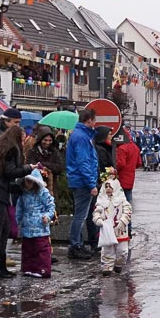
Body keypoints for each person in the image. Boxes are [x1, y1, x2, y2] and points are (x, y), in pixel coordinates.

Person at [0, 125, 32, 278]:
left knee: (2, 227)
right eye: (22, 139)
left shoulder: (1, 147)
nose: (23, 142)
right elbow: (10, 172)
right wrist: (29, 168)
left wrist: (15, 188)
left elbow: (2, 175)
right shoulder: (11, 150)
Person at [66, 108, 100, 259]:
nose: (95, 122)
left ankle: (78, 243)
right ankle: (75, 245)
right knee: (80, 215)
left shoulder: (80, 134)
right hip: (82, 181)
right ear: (90, 120)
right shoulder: (81, 137)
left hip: (78, 179)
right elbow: (83, 162)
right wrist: (91, 183)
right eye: (95, 119)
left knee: (80, 214)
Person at [14, 168, 55, 279]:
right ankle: (28, 268)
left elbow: (50, 206)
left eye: (31, 181)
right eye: (27, 181)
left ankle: (43, 269)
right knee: (28, 249)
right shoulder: (23, 194)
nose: (28, 184)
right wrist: (18, 220)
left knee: (41, 249)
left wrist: (47, 216)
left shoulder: (43, 192)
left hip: (40, 226)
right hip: (27, 226)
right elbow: (19, 208)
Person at [92, 168, 132, 277]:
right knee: (107, 250)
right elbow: (96, 213)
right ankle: (107, 266)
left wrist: (123, 221)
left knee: (122, 250)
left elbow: (128, 212)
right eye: (106, 187)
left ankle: (119, 263)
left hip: (120, 230)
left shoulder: (122, 200)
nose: (109, 189)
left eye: (110, 187)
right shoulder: (101, 202)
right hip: (107, 230)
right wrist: (99, 220)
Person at [25, 125, 65, 192]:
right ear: (40, 140)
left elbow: (60, 168)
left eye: (50, 140)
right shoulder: (32, 152)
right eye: (45, 140)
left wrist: (43, 164)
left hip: (52, 188)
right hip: (35, 187)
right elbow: (31, 167)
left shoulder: (54, 152)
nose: (47, 143)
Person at [114, 127, 142, 205]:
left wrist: (113, 170)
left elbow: (120, 163)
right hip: (130, 178)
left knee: (120, 202)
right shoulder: (135, 147)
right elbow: (139, 163)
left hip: (121, 177)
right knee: (128, 201)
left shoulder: (122, 148)